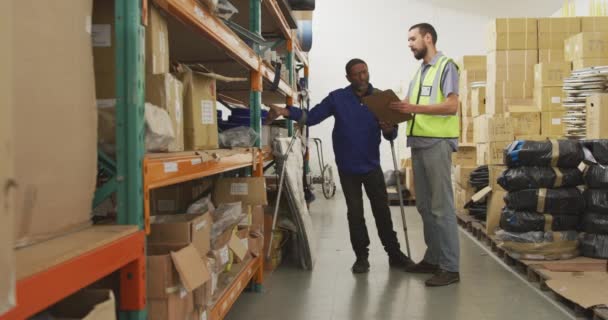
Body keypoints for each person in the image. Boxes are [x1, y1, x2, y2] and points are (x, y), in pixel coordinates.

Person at [265, 58, 413, 273]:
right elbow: (312, 116)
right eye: (357, 74)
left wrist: (389, 128)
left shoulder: (381, 98)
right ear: (348, 77)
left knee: (382, 211)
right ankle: (361, 257)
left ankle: (394, 254)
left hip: (372, 165)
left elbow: (391, 134)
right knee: (355, 213)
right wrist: (286, 111)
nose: (362, 77)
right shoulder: (338, 98)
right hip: (347, 167)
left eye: (365, 72)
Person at [389, 23, 461, 287]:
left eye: (412, 39)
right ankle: (433, 259)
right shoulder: (419, 72)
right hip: (418, 143)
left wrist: (413, 106)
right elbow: (409, 109)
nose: (409, 44)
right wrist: (388, 116)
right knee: (425, 207)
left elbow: (452, 105)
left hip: (438, 143)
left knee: (442, 207)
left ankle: (450, 268)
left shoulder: (446, 66)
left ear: (428, 38)